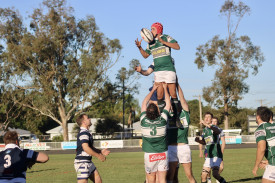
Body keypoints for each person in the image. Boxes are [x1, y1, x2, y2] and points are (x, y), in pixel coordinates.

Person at [135, 22, 180, 117]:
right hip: (158, 71)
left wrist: (163, 42)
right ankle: (161, 116)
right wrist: (139, 47)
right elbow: (145, 55)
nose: (151, 31)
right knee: (159, 96)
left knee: (173, 94)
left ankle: (176, 118)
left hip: (169, 69)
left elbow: (177, 47)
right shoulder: (150, 43)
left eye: (153, 29)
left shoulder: (166, 37)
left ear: (158, 30)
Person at [140, 83, 171, 183]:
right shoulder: (162, 120)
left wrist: (153, 90)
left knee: (151, 180)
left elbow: (144, 103)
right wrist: (165, 89)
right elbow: (168, 104)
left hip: (150, 155)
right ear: (158, 111)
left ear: (147, 112)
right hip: (163, 153)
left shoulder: (143, 121)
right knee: (162, 180)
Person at [166, 84, 196, 183]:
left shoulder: (185, 114)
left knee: (189, 175)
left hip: (183, 147)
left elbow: (182, 98)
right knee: (170, 176)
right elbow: (166, 102)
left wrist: (176, 85)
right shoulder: (167, 116)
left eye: (177, 103)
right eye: (173, 104)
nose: (176, 105)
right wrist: (166, 88)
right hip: (171, 148)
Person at [74, 114, 110, 183]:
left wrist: (101, 152)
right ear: (84, 122)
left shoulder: (87, 132)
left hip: (88, 162)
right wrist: (99, 156)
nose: (90, 119)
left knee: (98, 181)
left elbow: (90, 147)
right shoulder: (83, 133)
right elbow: (86, 148)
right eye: (88, 118)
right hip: (82, 163)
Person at [195, 112, 227, 183]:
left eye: (208, 117)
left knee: (215, 174)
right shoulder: (205, 130)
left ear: (211, 119)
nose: (206, 118)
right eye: (205, 117)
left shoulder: (214, 127)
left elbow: (218, 131)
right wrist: (198, 140)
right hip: (209, 156)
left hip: (216, 154)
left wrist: (206, 124)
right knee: (203, 176)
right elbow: (206, 142)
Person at [252, 107, 275, 182]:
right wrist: (268, 161)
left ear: (258, 117)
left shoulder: (261, 129)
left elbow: (261, 149)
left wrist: (256, 166)